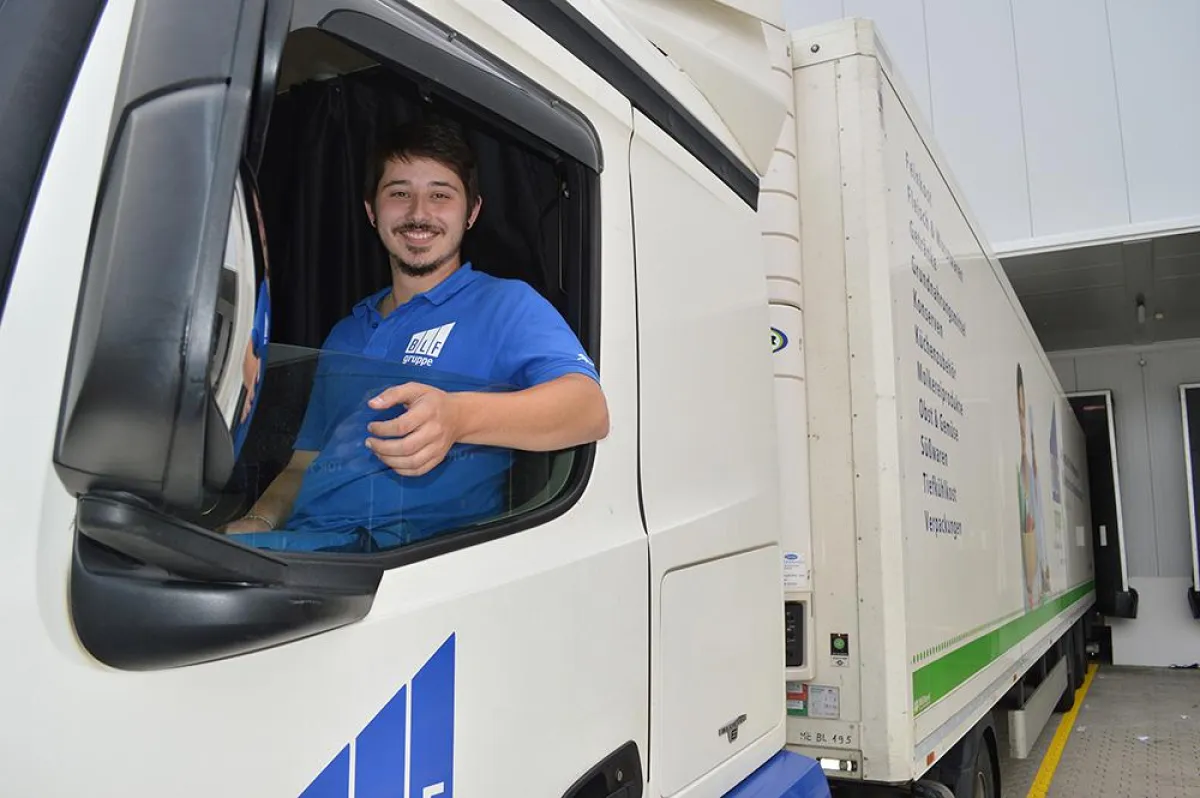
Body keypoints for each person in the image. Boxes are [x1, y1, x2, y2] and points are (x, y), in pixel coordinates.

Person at [222, 118, 608, 552]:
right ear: (372, 211)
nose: (419, 213)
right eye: (399, 193)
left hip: (403, 559)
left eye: (440, 195)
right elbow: (303, 464)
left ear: (472, 213)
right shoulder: (346, 331)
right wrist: (256, 521)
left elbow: (588, 409)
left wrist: (458, 418)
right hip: (309, 548)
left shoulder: (506, 305)